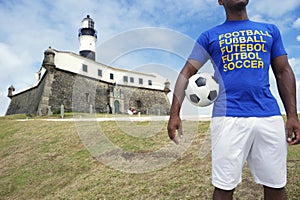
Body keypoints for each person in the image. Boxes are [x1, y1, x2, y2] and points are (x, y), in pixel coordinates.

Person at [167, 0, 300, 199]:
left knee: (276, 185)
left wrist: (292, 115)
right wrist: (174, 113)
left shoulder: (270, 30)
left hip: (268, 116)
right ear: (220, 1)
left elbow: (283, 71)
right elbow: (187, 71)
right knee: (223, 187)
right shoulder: (209, 36)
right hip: (227, 118)